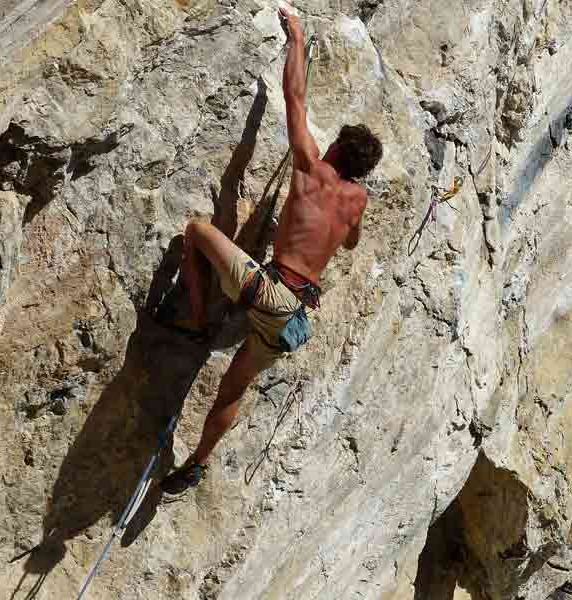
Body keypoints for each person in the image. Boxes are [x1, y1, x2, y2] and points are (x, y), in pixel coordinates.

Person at [160, 8, 383, 494]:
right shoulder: (357, 200)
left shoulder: (311, 168)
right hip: (294, 319)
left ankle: (197, 320)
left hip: (269, 291)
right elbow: (351, 240)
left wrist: (297, 37)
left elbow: (294, 97)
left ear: (336, 149)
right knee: (231, 391)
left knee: (197, 231)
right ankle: (197, 463)